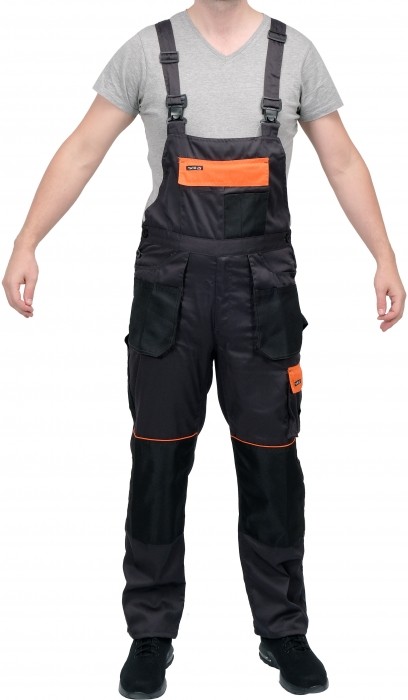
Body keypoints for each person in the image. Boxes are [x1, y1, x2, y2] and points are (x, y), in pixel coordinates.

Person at [2, 1, 405, 697]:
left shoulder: (294, 52)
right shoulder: (146, 49)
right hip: (171, 291)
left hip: (261, 293)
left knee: (272, 462)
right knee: (157, 461)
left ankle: (283, 630)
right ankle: (150, 635)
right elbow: (83, 148)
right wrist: (27, 240)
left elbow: (340, 160)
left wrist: (384, 255)